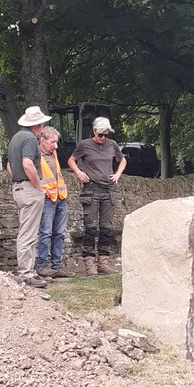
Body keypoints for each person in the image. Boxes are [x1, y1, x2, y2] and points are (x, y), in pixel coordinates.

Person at [68, 116, 127, 275]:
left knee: (106, 227)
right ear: (94, 131)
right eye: (100, 135)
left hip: (107, 190)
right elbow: (71, 160)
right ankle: (89, 263)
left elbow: (122, 161)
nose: (103, 138)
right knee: (91, 227)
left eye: (106, 135)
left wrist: (117, 174)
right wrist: (79, 172)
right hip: (91, 190)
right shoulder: (84, 145)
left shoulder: (112, 145)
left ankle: (104, 262)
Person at [8, 106, 51, 287]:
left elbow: (10, 166)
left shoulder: (15, 138)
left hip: (18, 188)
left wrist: (18, 182)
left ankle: (30, 272)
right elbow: (28, 164)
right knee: (29, 233)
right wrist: (38, 186)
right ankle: (26, 274)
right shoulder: (30, 139)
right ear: (39, 124)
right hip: (29, 189)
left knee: (28, 231)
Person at [35, 126, 76, 278]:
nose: (56, 146)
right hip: (47, 198)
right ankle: (42, 266)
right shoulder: (34, 155)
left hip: (60, 197)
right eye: (52, 142)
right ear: (42, 140)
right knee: (46, 232)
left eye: (56, 142)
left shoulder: (54, 153)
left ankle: (57, 266)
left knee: (59, 233)